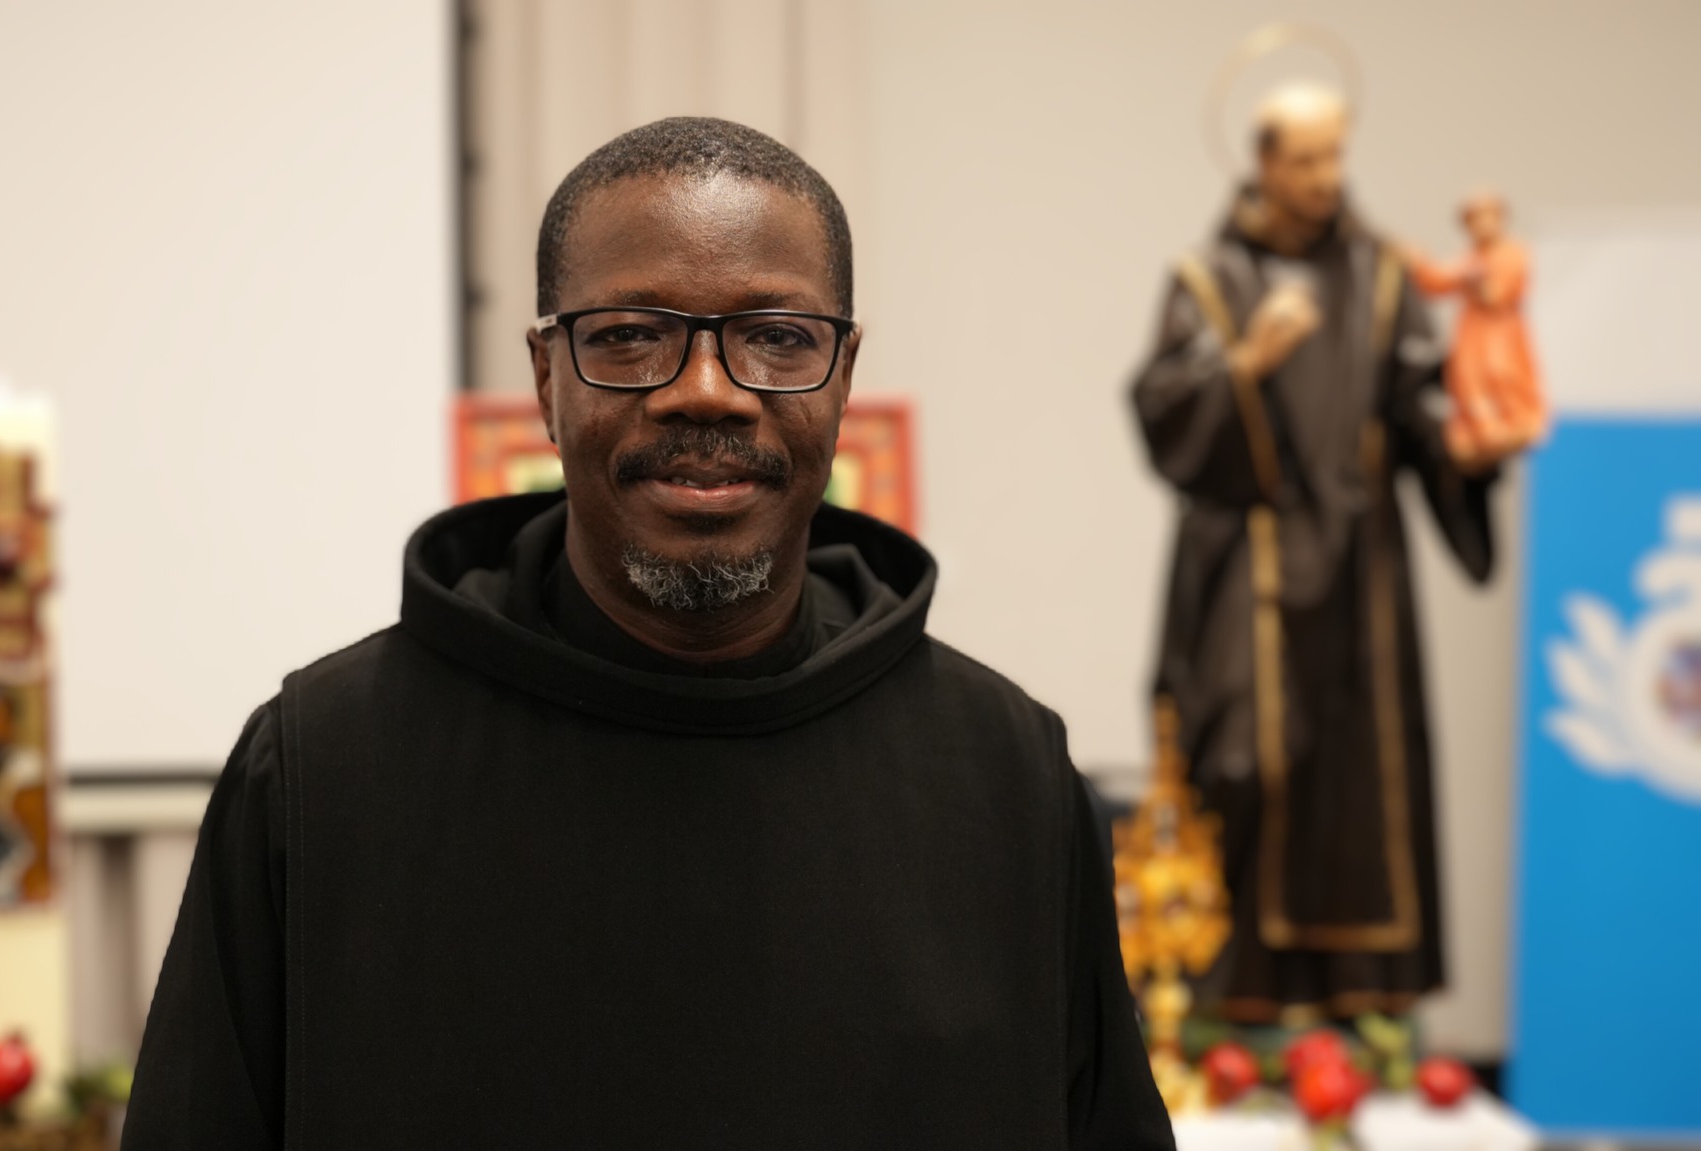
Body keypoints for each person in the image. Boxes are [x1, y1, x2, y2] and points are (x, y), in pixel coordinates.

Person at [124, 116, 1172, 1149]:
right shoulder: (319, 769)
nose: (704, 392)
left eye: (777, 337)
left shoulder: (1006, 775)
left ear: (844, 377)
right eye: (630, 335)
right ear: (547, 378)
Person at [1129, 84, 1521, 1025]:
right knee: (1242, 765)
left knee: (1361, 784)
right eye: (1304, 159)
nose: (1324, 176)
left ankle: (1360, 1013)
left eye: (1334, 155)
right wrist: (1245, 363)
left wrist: (1465, 450)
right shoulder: (1207, 279)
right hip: (1246, 565)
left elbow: (1421, 406)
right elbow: (1161, 408)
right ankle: (1232, 1014)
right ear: (1263, 162)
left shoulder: (1382, 275)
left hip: (1358, 574)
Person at [1402, 191, 1548, 460]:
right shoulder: (1470, 257)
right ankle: (1477, 430)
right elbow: (1438, 282)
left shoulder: (1512, 252)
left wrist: (1469, 277)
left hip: (1500, 332)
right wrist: (1418, 262)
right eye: (1473, 219)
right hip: (1472, 334)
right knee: (1468, 379)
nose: (1481, 224)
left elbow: (1495, 292)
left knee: (1501, 374)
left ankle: (1511, 422)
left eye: (1487, 216)